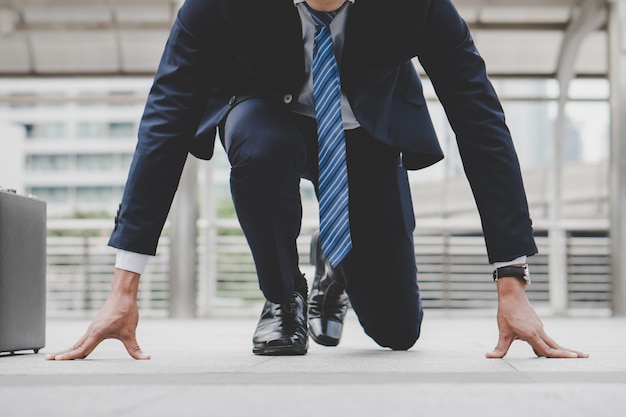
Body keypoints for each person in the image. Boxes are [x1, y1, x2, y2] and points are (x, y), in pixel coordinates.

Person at [46, 0, 588, 361]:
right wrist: (124, 286)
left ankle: (334, 257)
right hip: (266, 114)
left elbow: (479, 119)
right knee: (260, 148)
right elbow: (164, 120)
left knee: (399, 332)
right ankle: (283, 301)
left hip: (365, 134)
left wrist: (511, 279)